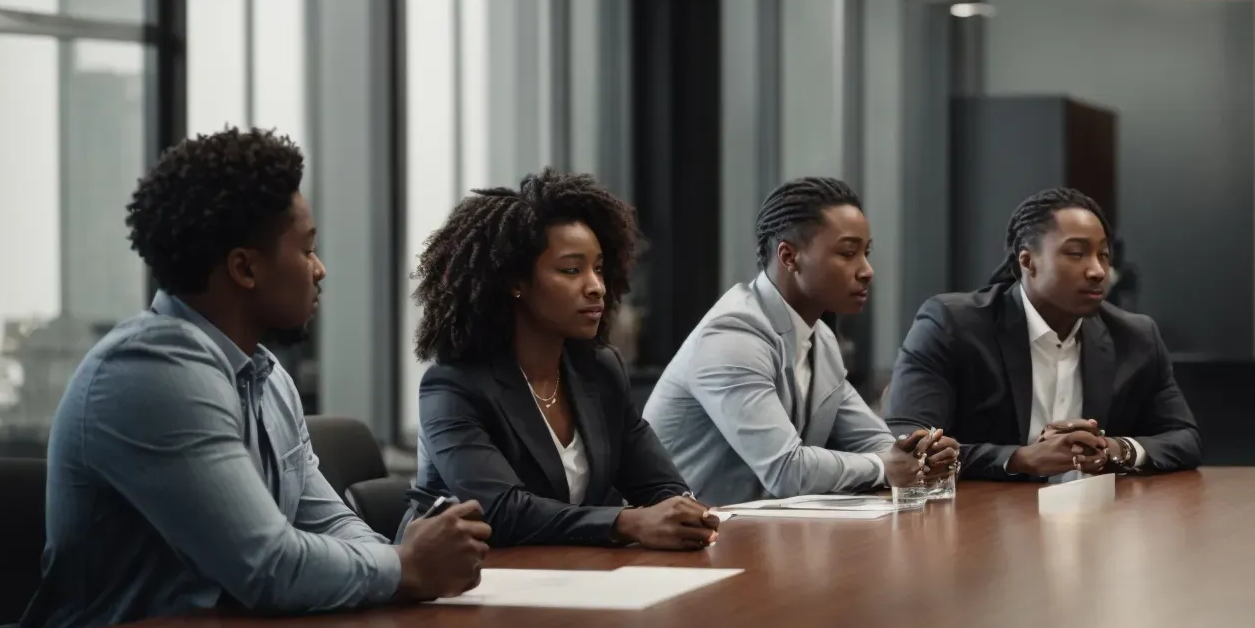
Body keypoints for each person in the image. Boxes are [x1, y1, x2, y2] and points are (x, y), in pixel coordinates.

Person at [13, 128, 490, 628]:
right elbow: (269, 564)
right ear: (242, 267)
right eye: (305, 249)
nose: (321, 268)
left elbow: (325, 519)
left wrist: (395, 565)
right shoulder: (153, 371)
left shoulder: (257, 371)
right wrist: (403, 566)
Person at [403, 170, 717, 550]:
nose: (596, 286)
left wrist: (678, 513)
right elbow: (501, 511)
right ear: (515, 282)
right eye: (572, 270)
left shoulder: (600, 369)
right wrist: (627, 522)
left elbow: (660, 483)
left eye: (599, 268)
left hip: (568, 575)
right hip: (460, 583)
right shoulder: (454, 385)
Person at [645, 177, 957, 506]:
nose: (867, 270)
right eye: (848, 253)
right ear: (789, 256)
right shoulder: (732, 334)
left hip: (757, 535)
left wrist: (920, 452)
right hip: (680, 543)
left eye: (865, 253)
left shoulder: (819, 338)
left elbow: (877, 443)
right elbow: (786, 470)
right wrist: (885, 466)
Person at [884, 187, 1201, 480]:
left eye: (1103, 255)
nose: (1098, 271)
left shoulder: (1136, 337)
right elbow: (906, 442)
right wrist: (1020, 459)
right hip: (982, 521)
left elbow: (1184, 438)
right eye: (1076, 253)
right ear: (1027, 261)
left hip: (1096, 522)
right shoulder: (952, 325)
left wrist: (1116, 450)